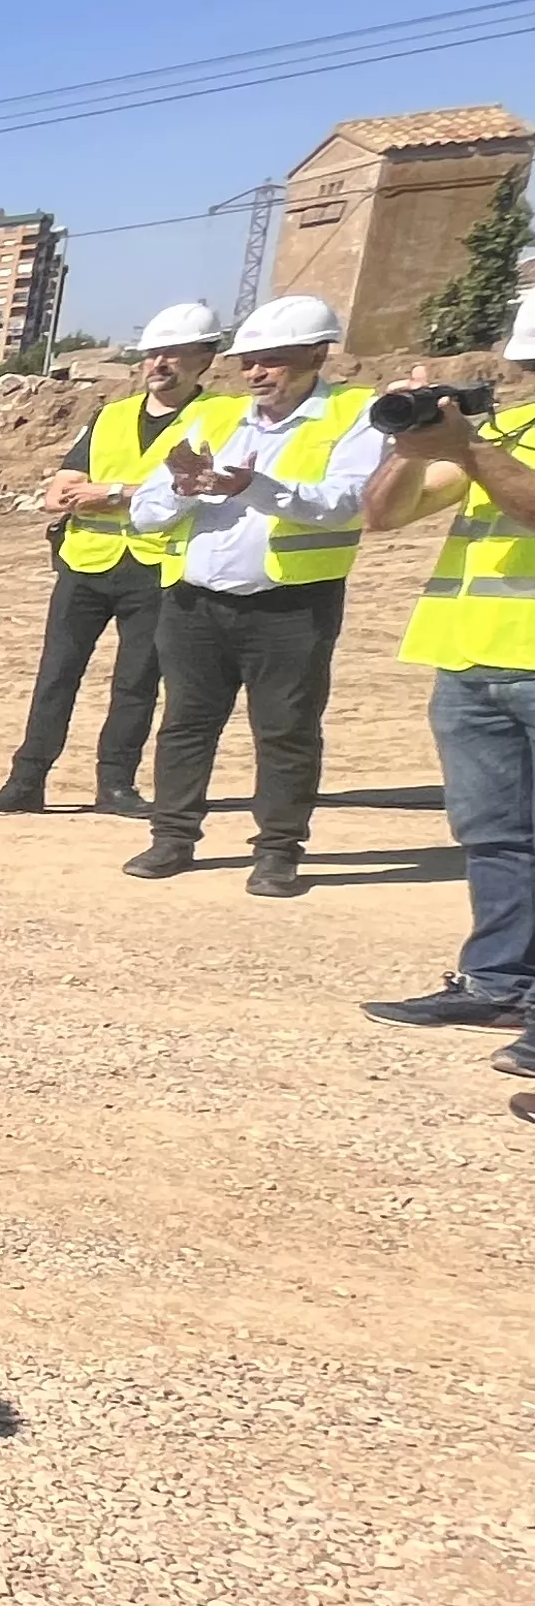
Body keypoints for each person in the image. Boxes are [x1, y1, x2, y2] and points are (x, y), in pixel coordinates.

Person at [122, 295, 388, 897]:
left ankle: (277, 850)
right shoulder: (216, 419)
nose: (256, 373)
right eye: (248, 362)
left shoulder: (354, 415)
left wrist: (255, 487)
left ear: (317, 355)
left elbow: (346, 503)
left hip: (291, 607)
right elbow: (147, 511)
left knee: (286, 729)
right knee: (186, 724)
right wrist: (188, 490)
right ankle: (172, 837)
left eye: (273, 360)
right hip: (195, 603)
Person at [357, 289, 535, 1066]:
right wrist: (409, 441)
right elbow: (383, 517)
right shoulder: (510, 430)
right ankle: (497, 983)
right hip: (470, 658)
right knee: (494, 833)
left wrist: (467, 450)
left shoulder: (490, 445)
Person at [0, 302, 230, 816]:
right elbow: (60, 494)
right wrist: (136, 490)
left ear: (205, 358)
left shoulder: (220, 417)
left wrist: (111, 490)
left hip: (156, 567)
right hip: (86, 562)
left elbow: (199, 486)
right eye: (153, 353)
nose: (160, 363)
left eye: (175, 354)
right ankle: (26, 780)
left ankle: (115, 784)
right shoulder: (111, 416)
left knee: (137, 681)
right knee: (56, 674)